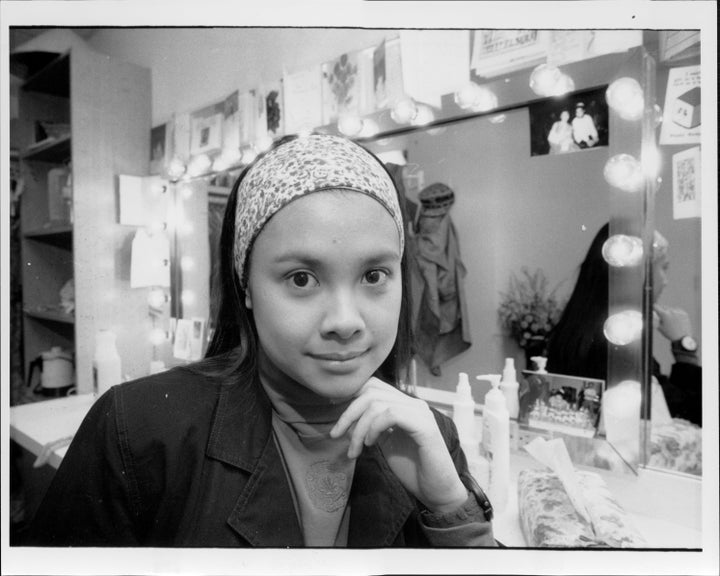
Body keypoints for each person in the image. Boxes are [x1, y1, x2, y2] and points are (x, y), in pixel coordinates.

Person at [25, 134, 496, 547]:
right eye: (301, 279)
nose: (346, 321)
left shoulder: (430, 436)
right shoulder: (137, 429)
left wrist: (453, 511)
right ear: (246, 285)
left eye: (374, 274)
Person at [546, 223, 701, 426]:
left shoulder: (575, 331)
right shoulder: (619, 338)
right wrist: (684, 346)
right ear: (638, 273)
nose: (666, 281)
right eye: (664, 267)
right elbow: (685, 413)